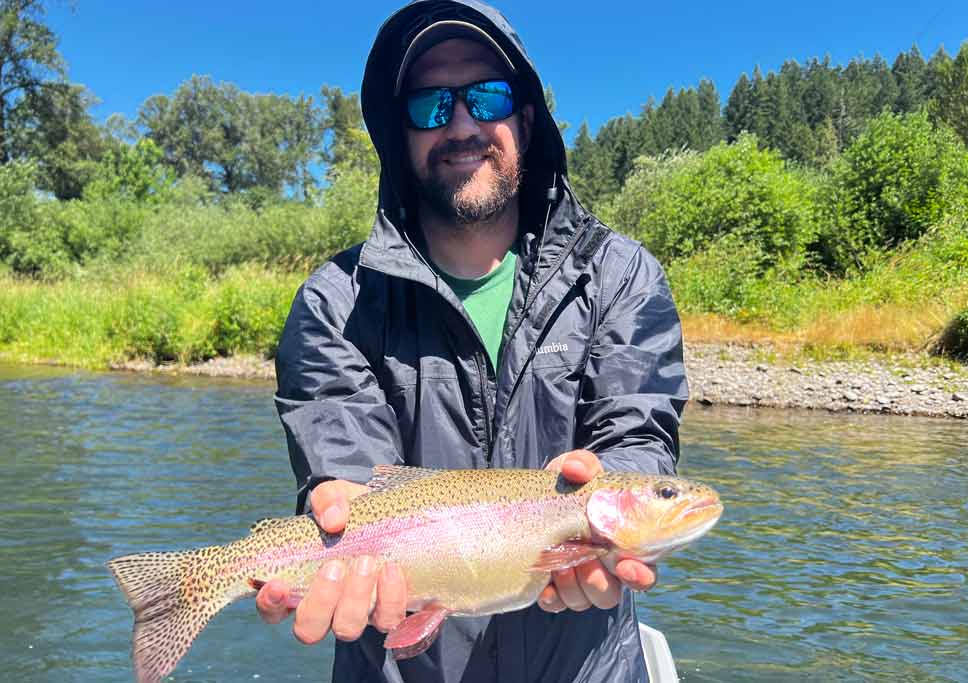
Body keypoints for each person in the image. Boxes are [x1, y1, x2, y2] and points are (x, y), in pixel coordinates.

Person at [259, 1, 688, 681]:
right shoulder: (336, 302)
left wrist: (619, 482)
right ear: (399, 135)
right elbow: (351, 475)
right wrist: (338, 505)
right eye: (431, 106)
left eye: (486, 96)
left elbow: (637, 432)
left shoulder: (619, 275)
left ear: (525, 117)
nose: (460, 124)